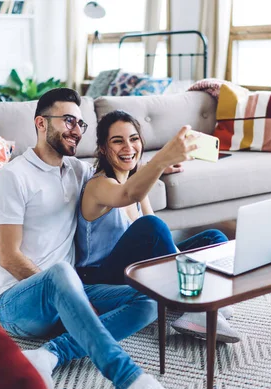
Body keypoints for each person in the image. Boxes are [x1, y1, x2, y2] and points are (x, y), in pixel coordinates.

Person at [0, 88, 196, 389]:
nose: (76, 130)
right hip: (19, 303)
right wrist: (63, 291)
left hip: (72, 290)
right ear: (41, 123)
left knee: (150, 299)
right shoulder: (13, 176)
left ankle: (50, 354)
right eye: (69, 120)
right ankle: (132, 383)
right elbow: (8, 256)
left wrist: (159, 165)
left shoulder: (75, 169)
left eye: (80, 124)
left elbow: (121, 177)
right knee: (60, 273)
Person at [74, 110, 241, 343]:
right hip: (101, 276)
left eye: (134, 139)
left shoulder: (136, 180)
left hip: (136, 268)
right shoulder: (99, 185)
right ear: (102, 148)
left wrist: (184, 259)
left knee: (213, 237)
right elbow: (133, 202)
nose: (129, 147)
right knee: (150, 226)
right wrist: (161, 161)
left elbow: (157, 241)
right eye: (117, 141)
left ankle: (208, 295)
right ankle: (196, 309)